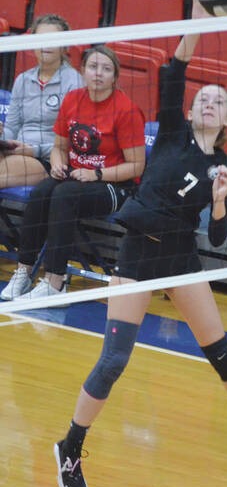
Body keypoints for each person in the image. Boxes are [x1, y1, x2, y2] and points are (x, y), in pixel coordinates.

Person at [52, 0, 227, 487]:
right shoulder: (172, 133)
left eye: (218, 101)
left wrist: (221, 202)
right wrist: (197, 25)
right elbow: (174, 68)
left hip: (181, 260)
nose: (207, 102)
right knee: (114, 361)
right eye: (203, 97)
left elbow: (220, 240)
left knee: (223, 355)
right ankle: (70, 446)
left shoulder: (222, 167)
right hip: (137, 253)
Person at [0, 45, 146, 301]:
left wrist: (97, 175)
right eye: (93, 67)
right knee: (43, 191)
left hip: (116, 186)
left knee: (64, 195)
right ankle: (24, 270)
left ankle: (55, 281)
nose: (98, 73)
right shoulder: (73, 99)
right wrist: (57, 163)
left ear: (115, 76)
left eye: (106, 69)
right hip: (77, 178)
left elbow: (136, 166)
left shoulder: (126, 110)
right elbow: (59, 148)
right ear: (83, 71)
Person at [1, 14, 83, 188]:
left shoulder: (74, 83)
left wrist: (33, 150)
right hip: (15, 152)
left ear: (64, 46)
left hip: (48, 159)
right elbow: (12, 127)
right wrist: (3, 140)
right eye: (41, 38)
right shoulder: (22, 79)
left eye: (53, 39)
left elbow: (72, 142)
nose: (46, 44)